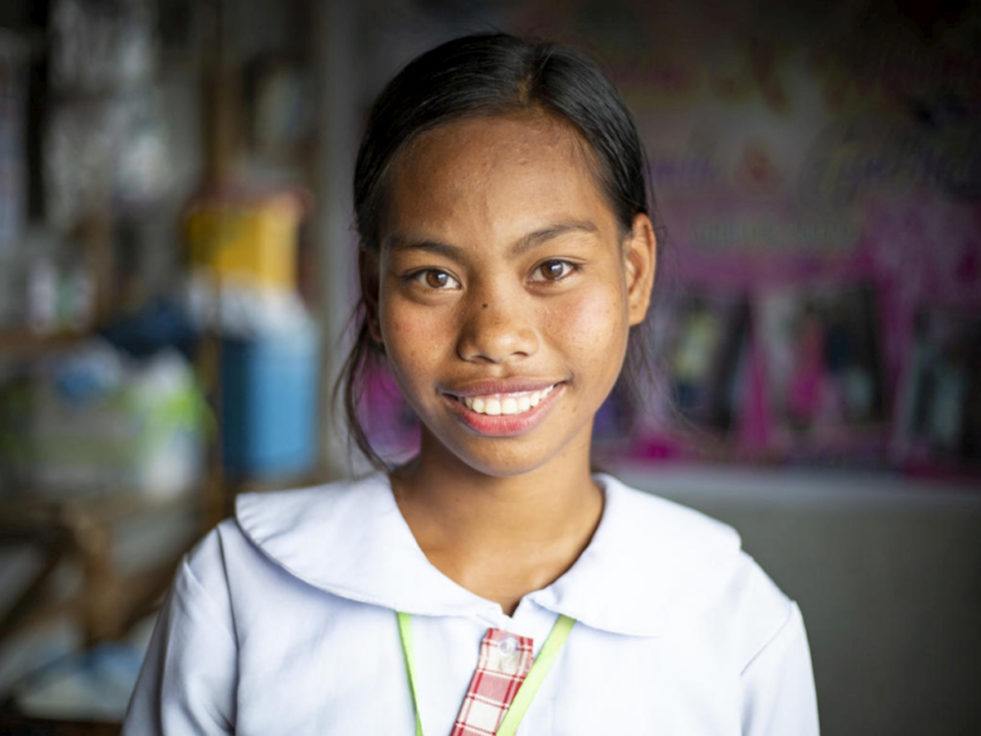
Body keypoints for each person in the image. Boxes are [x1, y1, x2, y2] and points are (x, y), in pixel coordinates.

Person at [123, 32, 819, 735]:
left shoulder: (732, 623)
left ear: (633, 273)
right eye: (435, 277)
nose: (493, 334)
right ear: (373, 292)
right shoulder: (241, 592)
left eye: (552, 268)